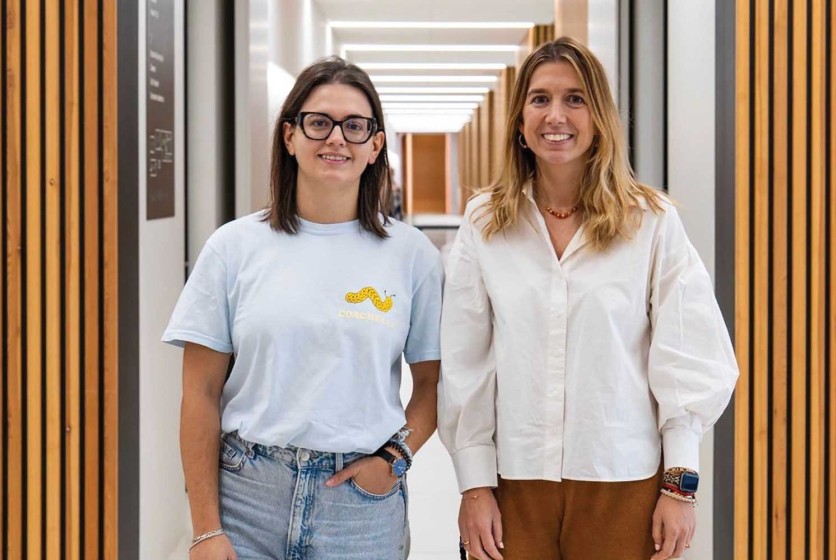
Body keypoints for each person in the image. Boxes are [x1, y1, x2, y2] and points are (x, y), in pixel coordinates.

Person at [438, 37, 738, 560]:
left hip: (622, 480)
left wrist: (679, 486)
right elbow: (467, 362)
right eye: (540, 99)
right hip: (514, 480)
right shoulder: (484, 222)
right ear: (520, 120)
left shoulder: (651, 221)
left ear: (599, 118)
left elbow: (688, 355)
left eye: (575, 98)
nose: (556, 115)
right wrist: (474, 486)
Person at [163, 57, 443, 560]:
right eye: (319, 123)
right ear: (290, 136)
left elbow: (433, 385)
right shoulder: (233, 247)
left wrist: (393, 460)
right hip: (247, 499)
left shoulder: (412, 255)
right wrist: (205, 528)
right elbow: (199, 393)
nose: (336, 138)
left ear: (375, 145)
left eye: (355, 126)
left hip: (360, 512)